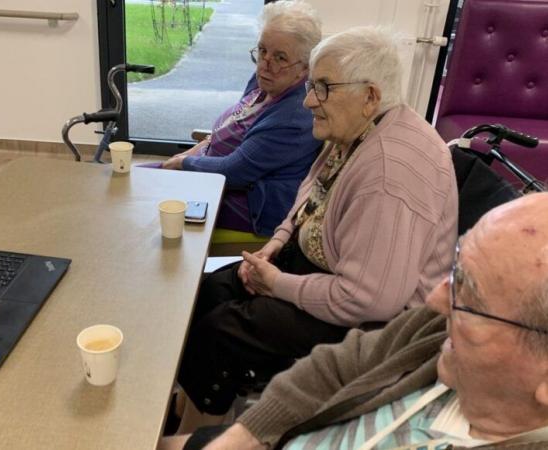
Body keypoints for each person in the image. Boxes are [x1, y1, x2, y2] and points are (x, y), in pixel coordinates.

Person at [173, 27, 458, 431]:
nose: (308, 101)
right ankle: (191, 411)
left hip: (379, 325)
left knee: (223, 334)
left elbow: (369, 300)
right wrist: (275, 246)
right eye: (311, 86)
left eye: (322, 88)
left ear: (370, 96)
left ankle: (196, 435)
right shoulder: (360, 127)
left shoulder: (387, 175)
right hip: (332, 268)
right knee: (208, 293)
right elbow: (311, 193)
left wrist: (277, 284)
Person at [163, 191, 548, 450]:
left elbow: (365, 298)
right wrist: (247, 435)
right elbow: (338, 365)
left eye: (469, 296)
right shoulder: (439, 329)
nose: (434, 299)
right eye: (457, 270)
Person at [154, 0, 323, 236]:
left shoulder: (294, 117)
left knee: (150, 197)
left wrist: (184, 163)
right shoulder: (265, 83)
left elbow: (234, 172)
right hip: (215, 177)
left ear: (305, 68)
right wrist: (195, 150)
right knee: (135, 178)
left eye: (280, 58)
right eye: (263, 50)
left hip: (249, 202)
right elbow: (232, 123)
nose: (265, 64)